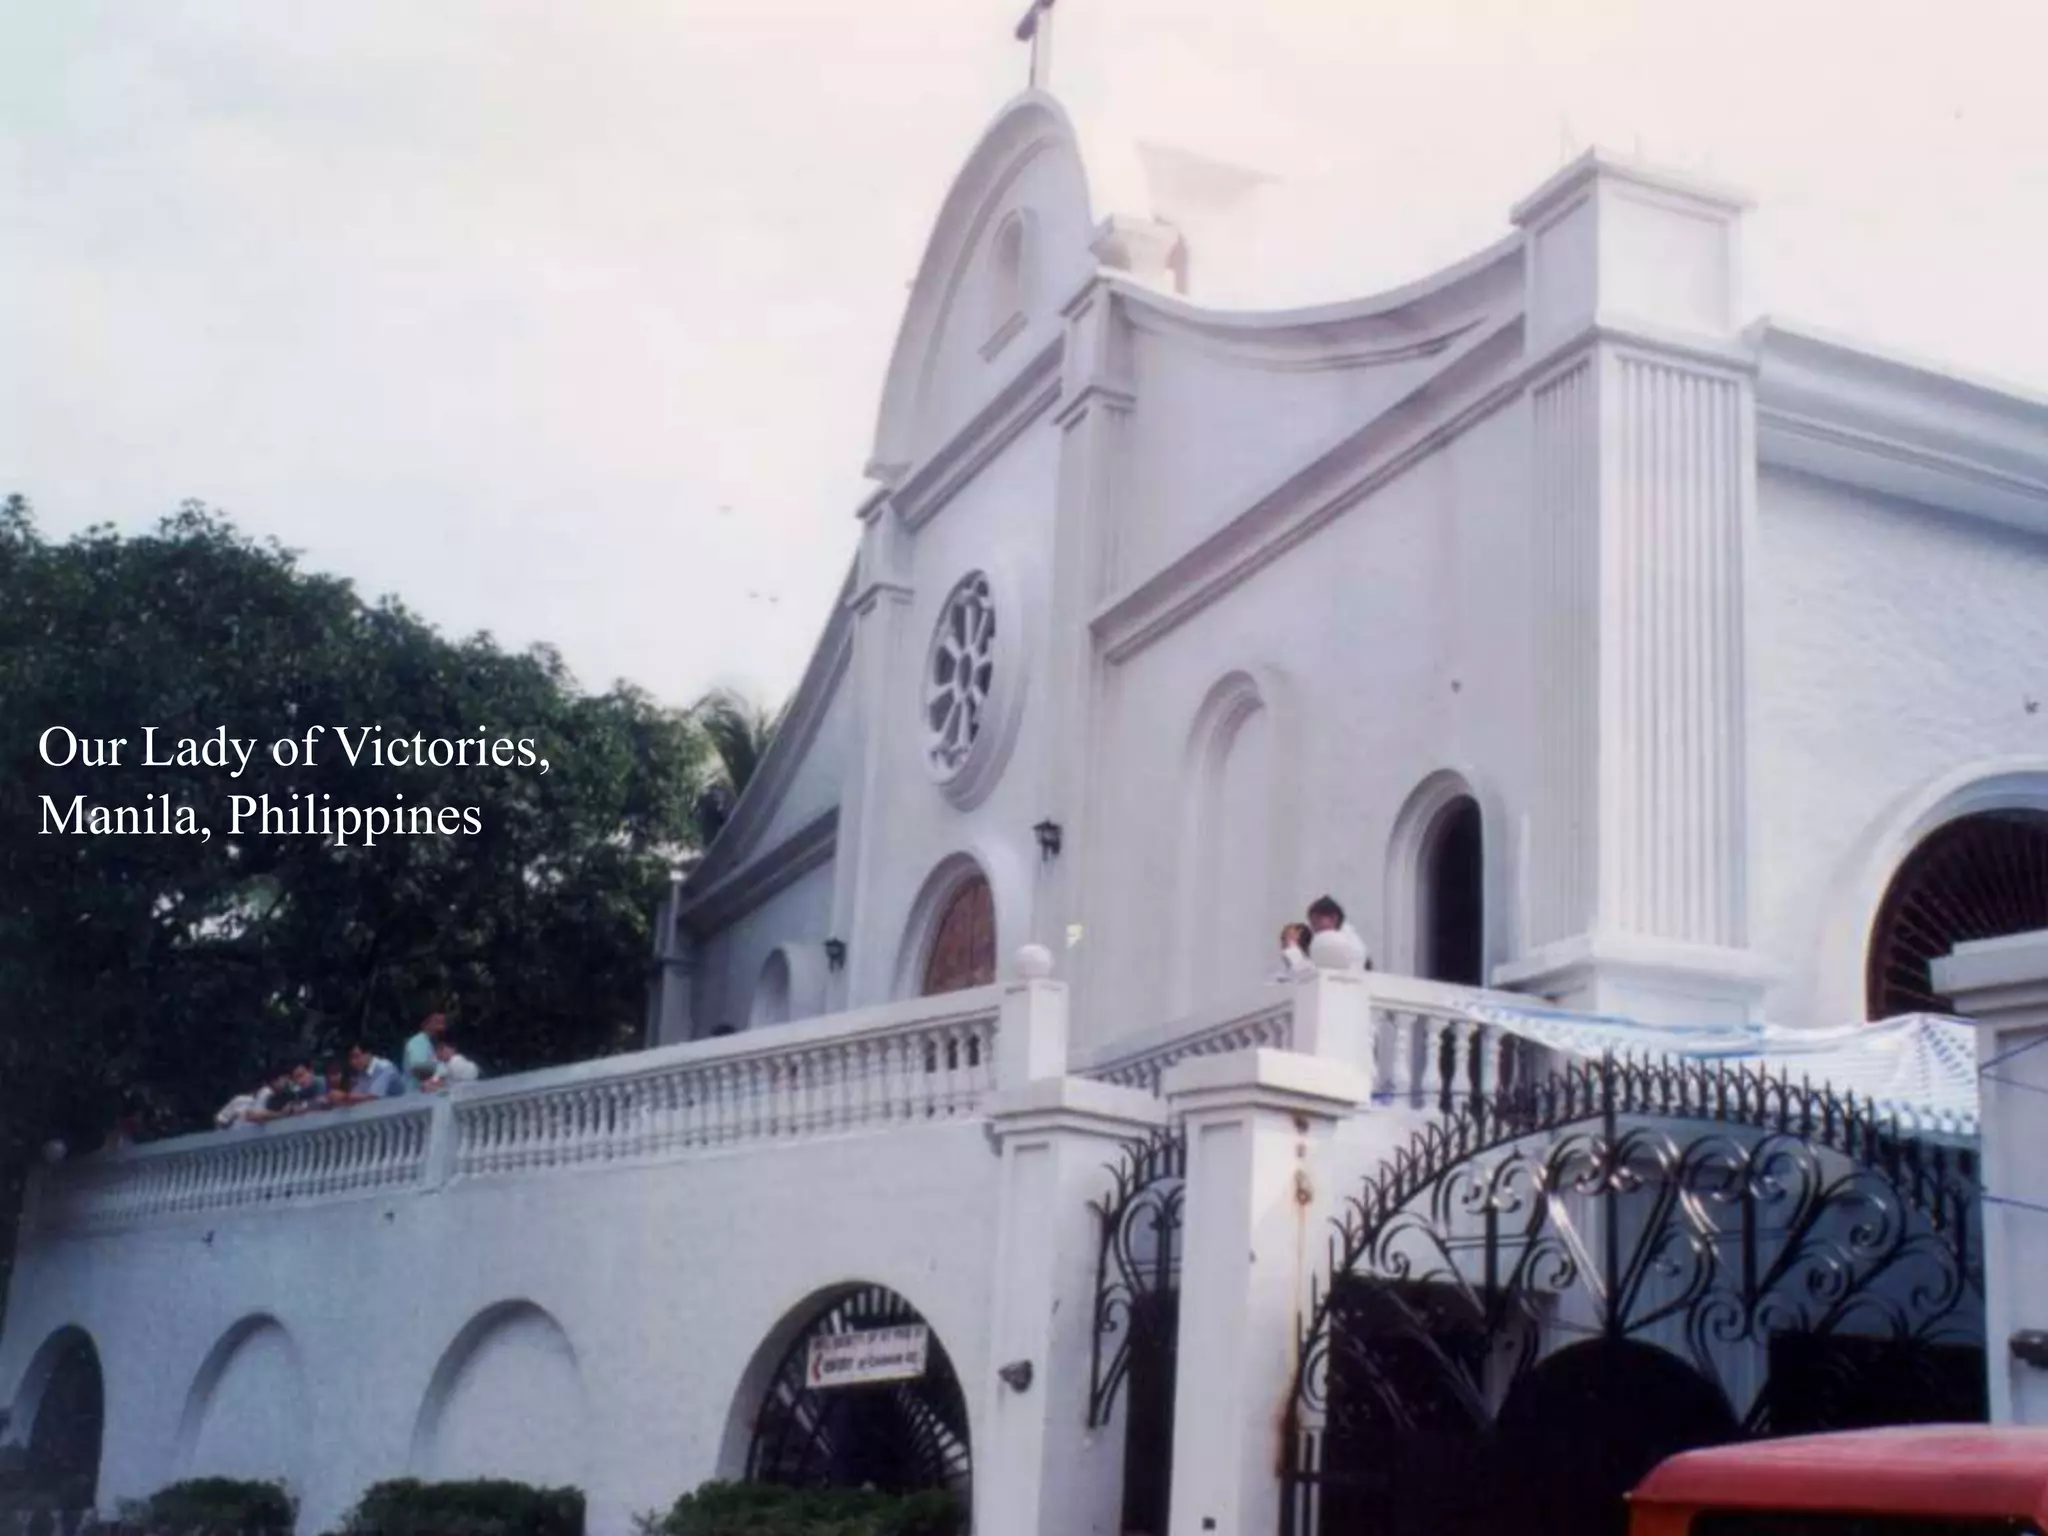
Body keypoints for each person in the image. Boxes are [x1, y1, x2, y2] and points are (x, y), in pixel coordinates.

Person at [1305, 895, 1372, 970]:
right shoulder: (1320, 938)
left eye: (1317, 920)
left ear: (1334, 918)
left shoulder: (1352, 946)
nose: (1314, 927)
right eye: (1312, 922)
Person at [335, 1043, 406, 1103]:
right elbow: (356, 1094)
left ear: (368, 1053)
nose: (353, 1062)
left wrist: (344, 1097)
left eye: (356, 1056)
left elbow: (373, 1097)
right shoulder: (359, 1071)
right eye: (350, 1058)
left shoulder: (384, 1067)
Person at [402, 1012, 449, 1088]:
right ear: (425, 1024)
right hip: (416, 1094)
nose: (441, 1027)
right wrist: (441, 1069)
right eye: (437, 1023)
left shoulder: (433, 1042)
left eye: (443, 1023)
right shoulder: (417, 1041)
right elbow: (418, 1068)